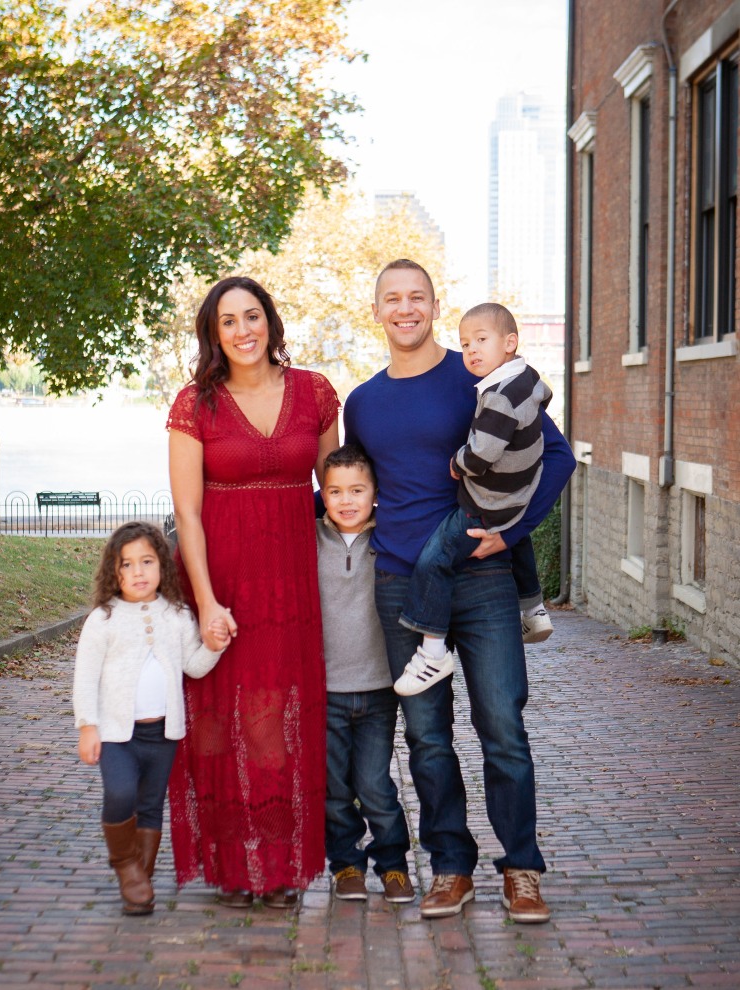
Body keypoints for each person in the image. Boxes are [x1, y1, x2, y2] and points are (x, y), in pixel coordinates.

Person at [343, 259, 576, 922]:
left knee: (502, 725)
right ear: (377, 309)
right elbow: (350, 492)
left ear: (434, 305)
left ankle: (522, 869)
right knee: (426, 738)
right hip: (400, 588)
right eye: (392, 298)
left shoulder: (476, 377)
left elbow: (556, 458)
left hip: (481, 578)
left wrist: (512, 532)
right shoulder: (361, 403)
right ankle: (451, 868)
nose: (405, 308)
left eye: (417, 297)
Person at [166, 275, 340, 909]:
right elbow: (187, 511)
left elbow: (337, 489)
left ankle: (279, 865)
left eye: (251, 316)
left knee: (276, 722)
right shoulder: (195, 405)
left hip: (294, 583)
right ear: (215, 336)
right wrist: (207, 602)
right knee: (218, 720)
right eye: (228, 322)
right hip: (224, 579)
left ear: (270, 321)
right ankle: (233, 867)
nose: (243, 331)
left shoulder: (316, 393)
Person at [394, 302, 552, 696]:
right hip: (518, 497)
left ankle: (432, 652)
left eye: (481, 341)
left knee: (434, 560)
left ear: (510, 342)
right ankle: (533, 607)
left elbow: (481, 455)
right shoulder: (528, 379)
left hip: (486, 502)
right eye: (465, 344)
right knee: (520, 542)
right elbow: (543, 397)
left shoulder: (497, 396)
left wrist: (457, 461)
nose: (472, 352)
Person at [73, 521, 228, 916]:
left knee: (151, 804)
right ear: (114, 571)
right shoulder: (103, 619)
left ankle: (138, 881)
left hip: (163, 733)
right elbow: (86, 677)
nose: (138, 572)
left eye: (147, 561)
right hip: (116, 735)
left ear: (163, 566)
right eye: (127, 565)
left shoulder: (176, 614)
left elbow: (193, 666)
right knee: (121, 794)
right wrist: (88, 726)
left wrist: (215, 645)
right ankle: (125, 865)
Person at [317, 444, 413, 903]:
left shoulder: (390, 539)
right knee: (334, 789)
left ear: (376, 493)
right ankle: (346, 866)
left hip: (378, 689)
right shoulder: (310, 538)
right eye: (335, 491)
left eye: (357, 489)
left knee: (375, 785)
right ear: (323, 494)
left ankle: (393, 865)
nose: (346, 500)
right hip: (326, 691)